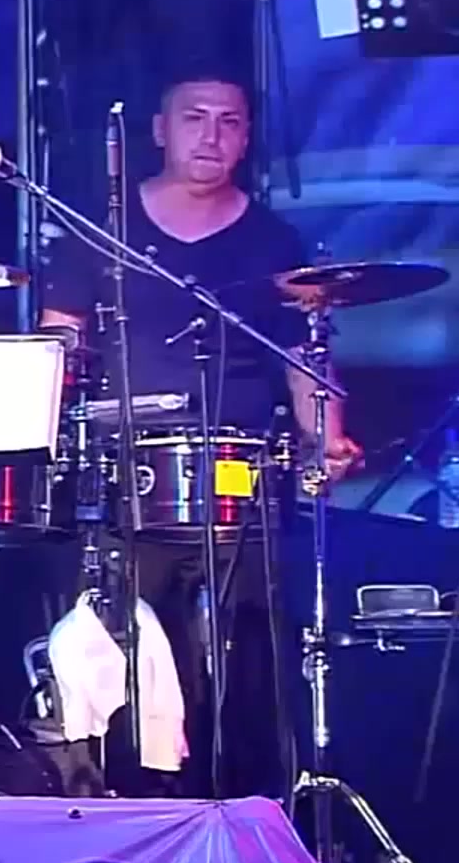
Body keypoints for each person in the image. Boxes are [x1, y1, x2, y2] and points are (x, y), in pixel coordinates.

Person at [35, 66, 362, 801]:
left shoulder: (273, 240)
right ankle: (135, 803)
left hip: (242, 473)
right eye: (194, 117)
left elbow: (304, 356)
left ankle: (255, 807)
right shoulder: (104, 226)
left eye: (230, 121)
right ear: (159, 130)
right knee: (131, 645)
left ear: (246, 139)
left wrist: (327, 436)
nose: (212, 135)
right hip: (128, 469)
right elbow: (60, 339)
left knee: (254, 657)